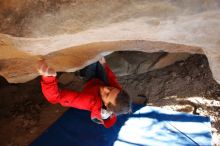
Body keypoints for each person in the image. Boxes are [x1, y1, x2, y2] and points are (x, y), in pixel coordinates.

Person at [37, 57, 131, 128]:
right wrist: (105, 65)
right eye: (111, 88)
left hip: (90, 82)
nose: (106, 88)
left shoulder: (88, 100)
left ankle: (82, 70)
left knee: (90, 60)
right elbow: (112, 79)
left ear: (106, 104)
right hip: (101, 81)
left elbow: (56, 98)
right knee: (97, 57)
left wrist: (48, 79)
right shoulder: (116, 94)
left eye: (107, 94)